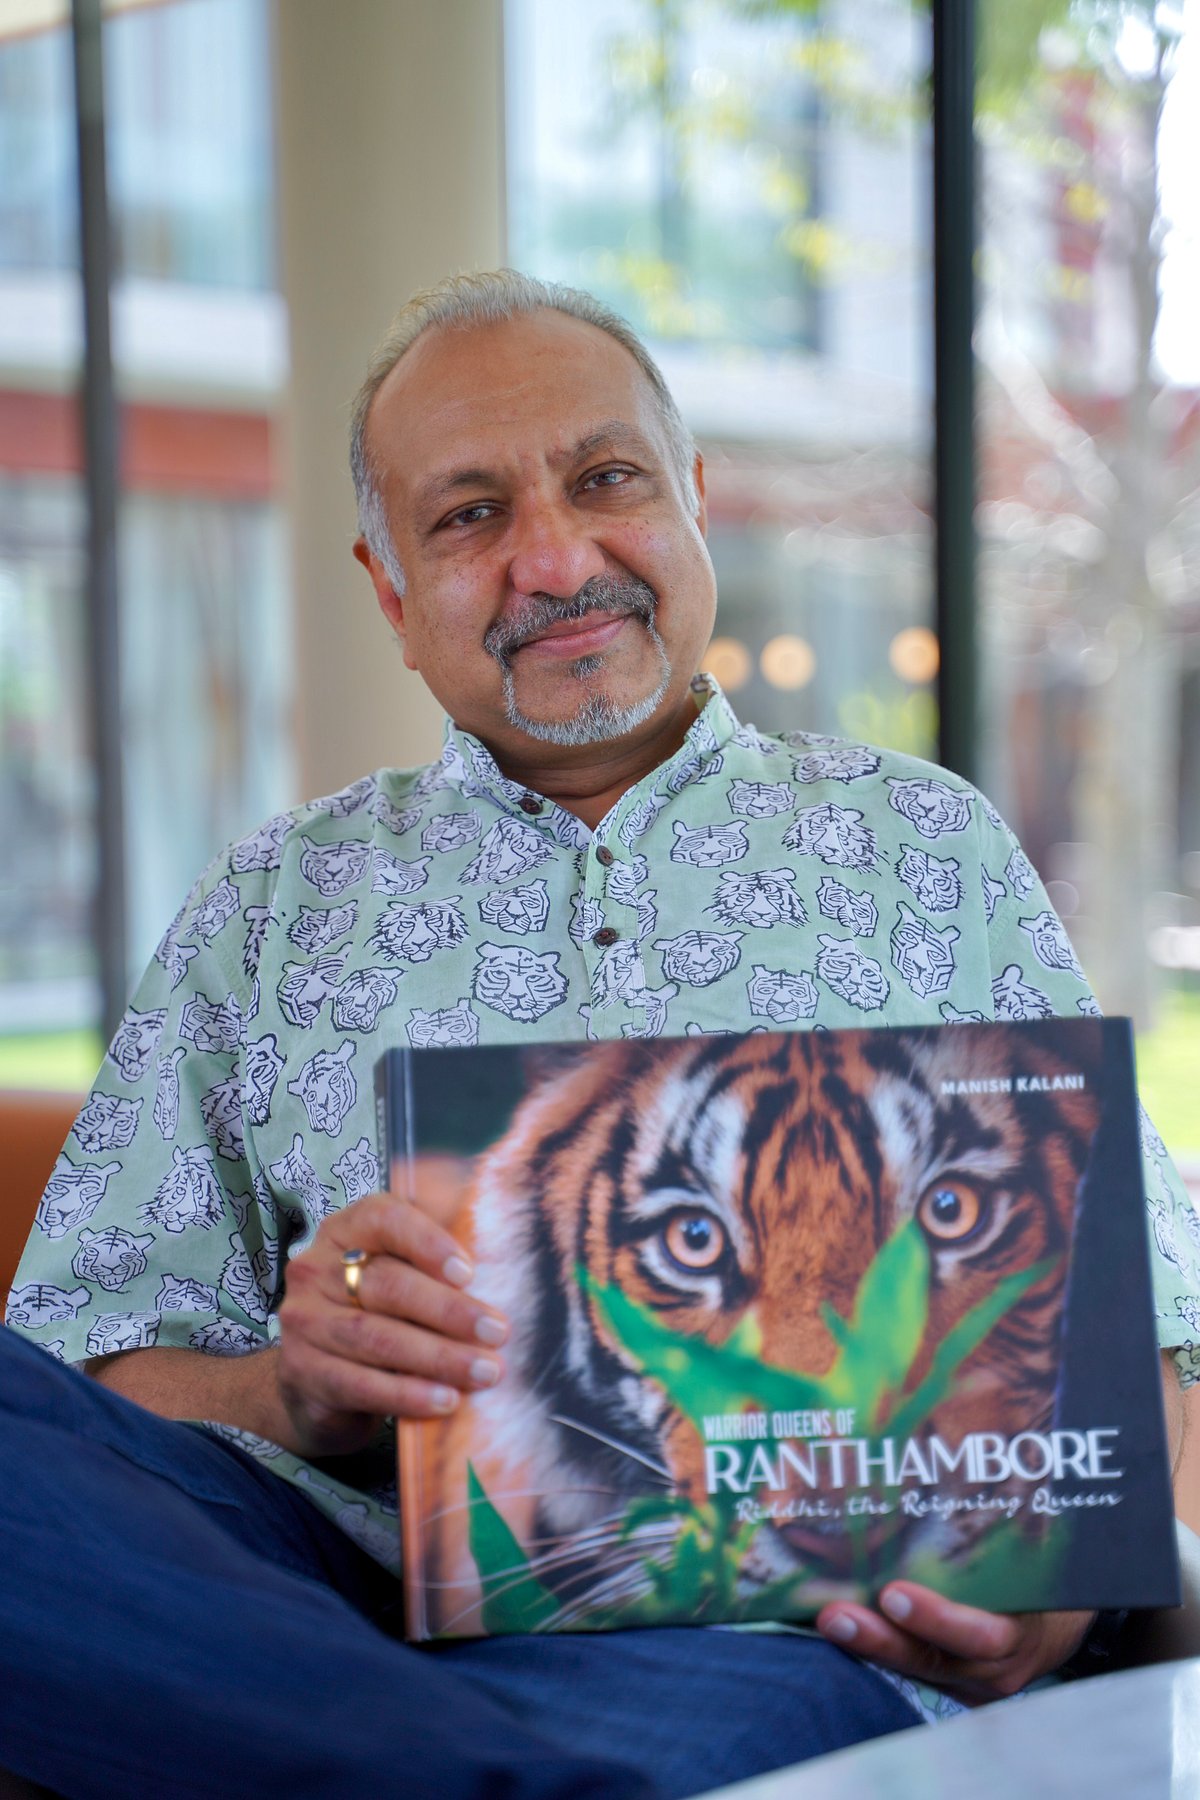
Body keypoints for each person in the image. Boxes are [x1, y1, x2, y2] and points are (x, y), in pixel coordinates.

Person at [4, 270, 1197, 1800]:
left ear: (693, 497)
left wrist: (1061, 1604)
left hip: (743, 1626)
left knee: (703, 1720)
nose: (555, 558)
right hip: (307, 1590)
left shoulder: (923, 845)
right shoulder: (273, 899)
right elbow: (86, 1388)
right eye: (469, 515)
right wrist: (287, 1390)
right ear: (390, 590)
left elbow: (1147, 1333)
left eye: (606, 479)